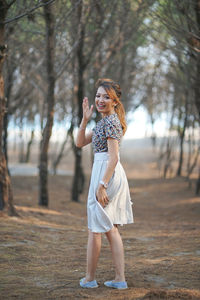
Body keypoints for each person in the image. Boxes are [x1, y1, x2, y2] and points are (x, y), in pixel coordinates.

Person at [76, 78, 134, 289]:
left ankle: (90, 279)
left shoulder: (110, 123)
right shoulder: (103, 123)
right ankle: (119, 280)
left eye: (106, 97)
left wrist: (102, 184)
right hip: (105, 173)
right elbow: (80, 142)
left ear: (115, 102)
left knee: (96, 228)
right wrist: (84, 120)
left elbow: (113, 158)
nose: (100, 100)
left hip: (106, 174)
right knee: (110, 228)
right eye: (98, 95)